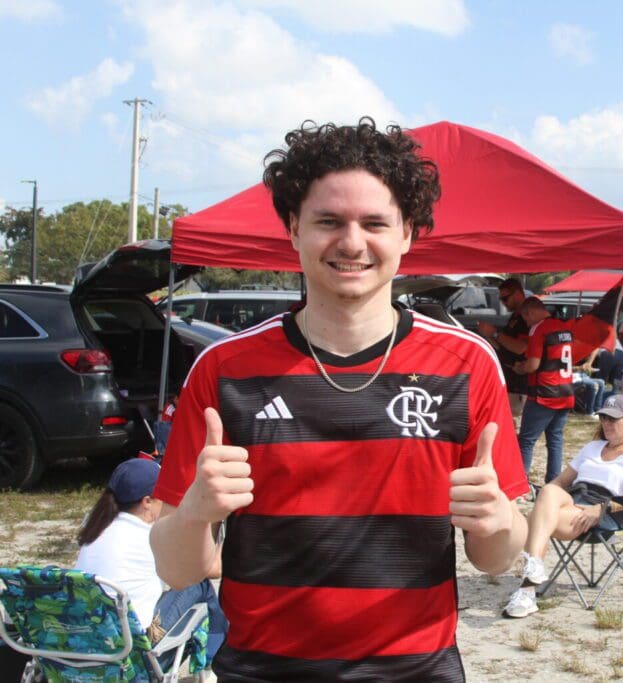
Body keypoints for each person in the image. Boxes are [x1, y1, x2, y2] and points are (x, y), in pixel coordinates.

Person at [150, 118, 529, 682]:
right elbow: (176, 569)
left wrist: (499, 521)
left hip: (416, 670)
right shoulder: (223, 369)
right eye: (329, 221)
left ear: (407, 234)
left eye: (374, 222)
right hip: (260, 670)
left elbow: (496, 559)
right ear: (293, 228)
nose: (352, 242)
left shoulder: (467, 364)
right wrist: (196, 514)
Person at [502, 394, 623, 618]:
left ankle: (527, 590)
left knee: (538, 519)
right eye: (604, 418)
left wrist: (602, 508)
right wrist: (541, 498)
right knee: (549, 492)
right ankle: (532, 574)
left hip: (605, 511)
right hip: (574, 500)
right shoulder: (592, 447)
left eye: (613, 419)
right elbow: (560, 481)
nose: (607, 424)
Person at [75, 458, 227, 657]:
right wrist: (225, 527)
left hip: (92, 641)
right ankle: (217, 654)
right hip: (134, 653)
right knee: (198, 583)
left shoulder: (95, 525)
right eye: (163, 495)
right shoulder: (148, 538)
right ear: (147, 502)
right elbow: (212, 568)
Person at [515, 296, 575, 484]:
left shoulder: (539, 328)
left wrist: (520, 368)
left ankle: (520, 484)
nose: (526, 323)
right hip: (565, 392)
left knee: (526, 440)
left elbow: (533, 364)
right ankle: (553, 483)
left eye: (525, 319)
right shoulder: (564, 328)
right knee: (555, 440)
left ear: (531, 313)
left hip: (544, 394)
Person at [477, 278, 529, 419]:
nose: (503, 303)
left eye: (505, 298)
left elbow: (521, 348)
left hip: (519, 383)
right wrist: (488, 336)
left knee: (514, 427)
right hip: (510, 381)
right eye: (501, 299)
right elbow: (504, 347)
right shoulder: (515, 316)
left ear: (518, 294)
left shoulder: (526, 316)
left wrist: (494, 333)